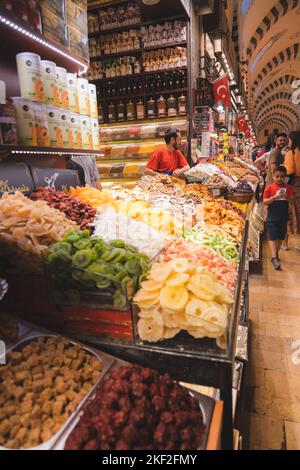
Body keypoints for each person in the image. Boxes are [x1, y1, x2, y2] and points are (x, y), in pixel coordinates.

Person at [263, 165, 295, 270]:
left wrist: (288, 197)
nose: (279, 179)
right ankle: (274, 257)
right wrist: (274, 198)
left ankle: (275, 254)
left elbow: (292, 201)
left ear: (285, 177)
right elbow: (264, 201)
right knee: (272, 236)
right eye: (277, 176)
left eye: (282, 177)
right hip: (272, 217)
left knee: (280, 237)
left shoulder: (288, 188)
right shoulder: (269, 188)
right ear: (273, 176)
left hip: (283, 217)